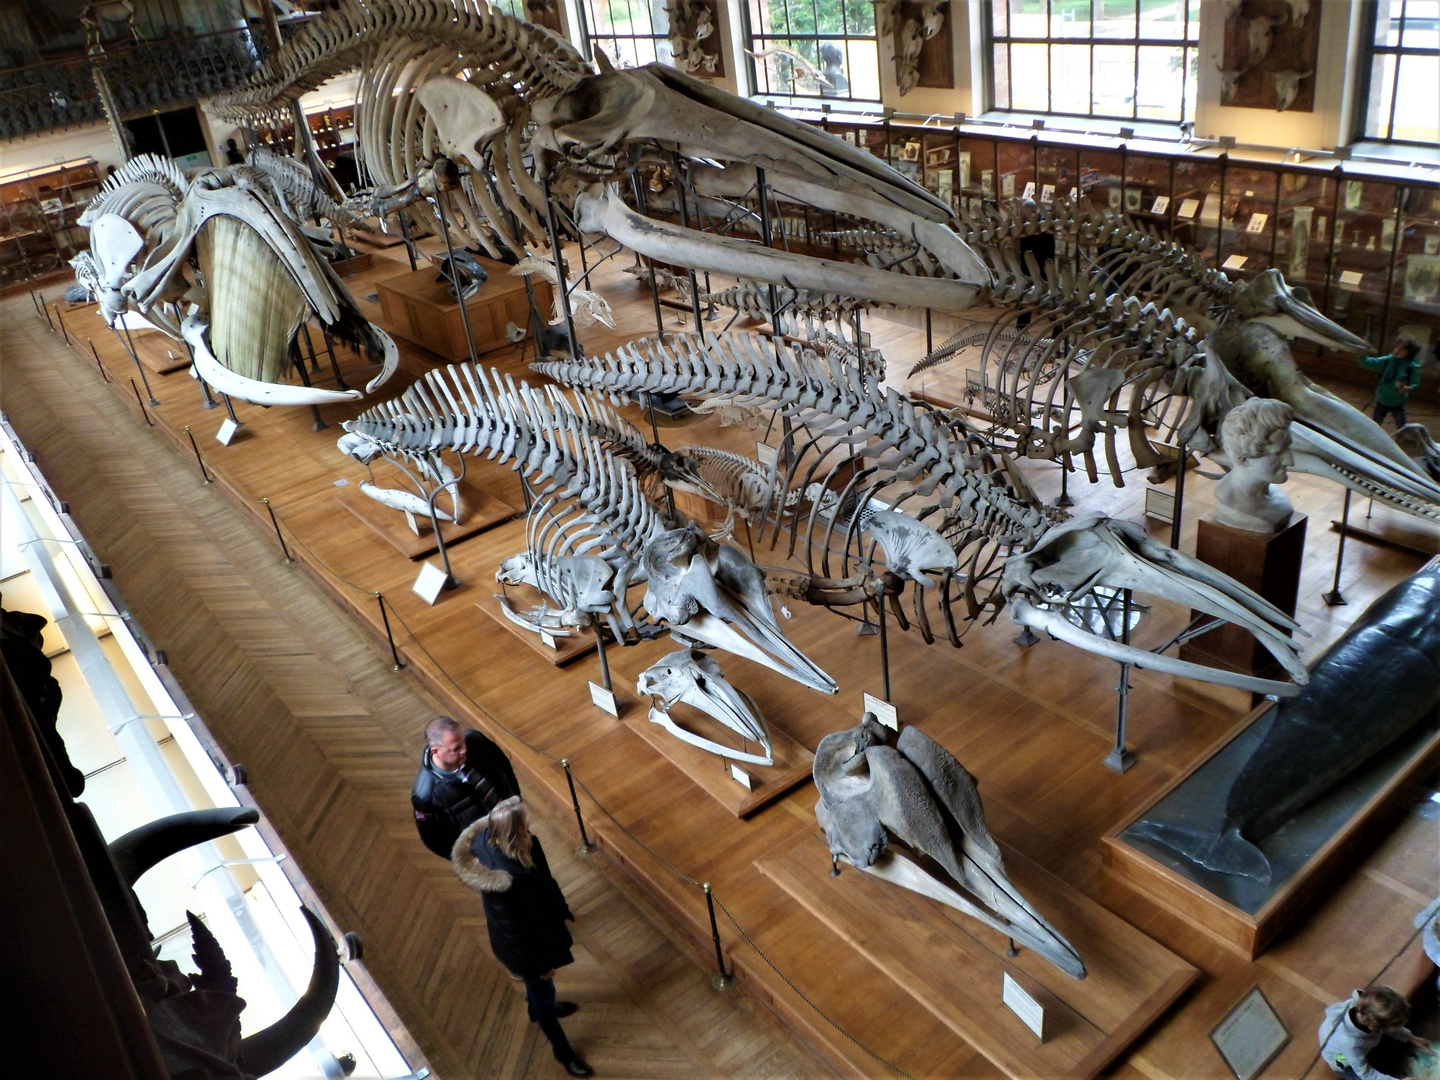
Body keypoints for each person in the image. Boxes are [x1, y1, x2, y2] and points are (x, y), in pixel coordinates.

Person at [454, 798, 593, 1077]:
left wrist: (558, 907)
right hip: (527, 952)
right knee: (544, 994)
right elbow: (516, 933)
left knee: (541, 995)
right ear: (515, 832)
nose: (530, 824)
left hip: (536, 936)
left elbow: (543, 881)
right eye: (525, 823)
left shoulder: (510, 844)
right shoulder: (505, 882)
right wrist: (540, 966)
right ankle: (563, 1052)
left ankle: (537, 1006)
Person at [411, 716, 520, 858]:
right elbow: (435, 841)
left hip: (516, 825)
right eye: (456, 748)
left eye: (463, 743)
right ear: (436, 751)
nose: (464, 750)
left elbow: (505, 768)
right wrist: (471, 859)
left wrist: (517, 804)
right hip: (488, 853)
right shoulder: (425, 795)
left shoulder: (476, 741)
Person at [1214, 397, 1296, 533]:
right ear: (1244, 457)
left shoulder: (1278, 498)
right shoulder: (1228, 501)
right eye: (1277, 453)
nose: (1290, 461)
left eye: (1288, 449)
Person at [1318, 986, 1429, 1080]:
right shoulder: (1351, 1043)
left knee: (1392, 1043)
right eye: (1388, 1026)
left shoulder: (1367, 1007)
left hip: (1361, 1042)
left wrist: (1412, 1038)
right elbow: (1366, 1073)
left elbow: (1388, 1028)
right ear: (1375, 1024)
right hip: (1343, 1060)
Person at [1360, 336, 1424, 430]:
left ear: (1409, 352)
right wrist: (1362, 349)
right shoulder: (1387, 361)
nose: (1397, 350)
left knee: (1402, 428)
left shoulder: (1411, 367)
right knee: (1375, 427)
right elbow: (1367, 362)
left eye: (1402, 349)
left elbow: (1416, 385)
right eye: (1397, 347)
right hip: (1382, 400)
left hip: (1398, 403)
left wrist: (1408, 389)